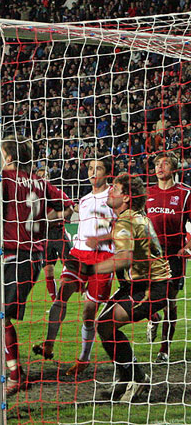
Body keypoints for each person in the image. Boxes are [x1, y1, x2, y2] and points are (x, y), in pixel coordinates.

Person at [0, 139, 73, 399]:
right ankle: (14, 371)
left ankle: (15, 375)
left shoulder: (4, 178)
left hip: (16, 254)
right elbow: (69, 208)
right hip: (34, 255)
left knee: (0, 315)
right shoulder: (41, 182)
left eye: (2, 154)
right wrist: (46, 220)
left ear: (9, 157)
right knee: (0, 314)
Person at [72, 173, 172, 402]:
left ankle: (136, 379)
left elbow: (124, 258)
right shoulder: (132, 218)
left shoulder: (126, 221)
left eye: (115, 189)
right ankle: (128, 378)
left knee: (106, 324)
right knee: (104, 325)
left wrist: (90, 270)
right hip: (138, 284)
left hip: (151, 287)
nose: (110, 191)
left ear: (126, 197)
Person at [33, 158, 115, 376]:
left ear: (107, 173)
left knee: (89, 312)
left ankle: (84, 359)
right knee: (62, 295)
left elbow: (123, 225)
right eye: (90, 168)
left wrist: (104, 236)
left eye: (98, 168)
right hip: (79, 254)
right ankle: (48, 344)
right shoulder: (85, 199)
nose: (93, 172)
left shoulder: (115, 196)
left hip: (103, 257)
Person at [145, 152, 191, 362]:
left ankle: (164, 350)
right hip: (151, 254)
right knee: (144, 294)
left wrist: (187, 247)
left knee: (170, 301)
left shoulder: (185, 194)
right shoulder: (147, 193)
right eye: (157, 164)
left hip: (174, 254)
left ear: (173, 168)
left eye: (164, 164)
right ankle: (153, 317)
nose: (159, 167)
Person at [36, 168, 74, 302]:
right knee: (48, 270)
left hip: (58, 232)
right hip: (44, 236)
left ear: (48, 178)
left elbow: (70, 208)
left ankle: (85, 291)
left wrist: (57, 216)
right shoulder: (33, 197)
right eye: (40, 176)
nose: (42, 178)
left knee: (72, 265)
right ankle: (55, 301)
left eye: (44, 176)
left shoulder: (56, 193)